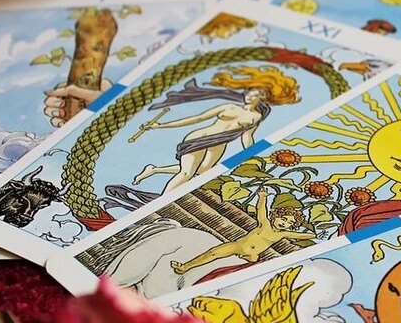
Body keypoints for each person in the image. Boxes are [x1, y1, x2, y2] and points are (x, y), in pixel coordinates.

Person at [130, 66, 301, 193]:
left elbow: (247, 136)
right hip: (200, 137)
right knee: (187, 173)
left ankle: (154, 170)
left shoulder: (256, 117)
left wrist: (251, 153)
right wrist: (161, 126)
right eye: (248, 93)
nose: (248, 96)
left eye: (254, 95)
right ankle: (160, 201)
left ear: (262, 98)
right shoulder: (229, 107)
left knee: (201, 172)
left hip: (219, 144)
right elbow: (197, 118)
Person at [170, 189, 315, 274]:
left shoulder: (282, 234)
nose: (284, 223)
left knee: (242, 268)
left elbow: (300, 235)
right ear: (276, 216)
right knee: (213, 253)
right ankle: (185, 266)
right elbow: (260, 210)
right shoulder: (265, 224)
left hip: (252, 256)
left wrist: (314, 235)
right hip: (238, 246)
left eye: (289, 223)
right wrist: (262, 197)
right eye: (283, 219)